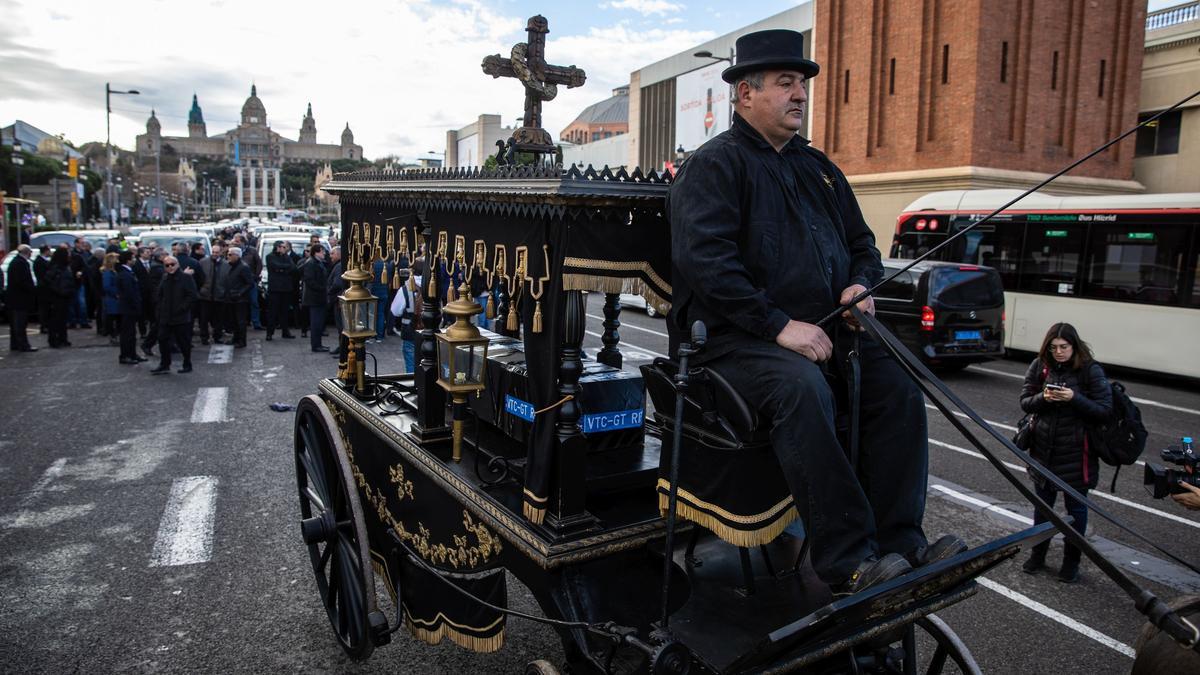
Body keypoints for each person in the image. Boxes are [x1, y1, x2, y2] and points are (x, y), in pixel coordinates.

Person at [667, 29, 962, 596]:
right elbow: (707, 264)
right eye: (785, 83)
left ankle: (902, 545)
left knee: (898, 385)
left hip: (826, 334)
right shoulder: (713, 166)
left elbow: (863, 244)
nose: (799, 94)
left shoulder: (820, 169)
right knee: (803, 389)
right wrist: (779, 326)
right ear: (744, 94)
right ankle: (846, 560)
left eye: (801, 84)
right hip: (733, 345)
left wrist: (859, 284)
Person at [1019, 322, 1112, 583]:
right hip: (1043, 450)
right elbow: (1025, 401)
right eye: (1054, 347)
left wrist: (1073, 397)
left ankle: (1071, 563)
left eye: (1064, 347)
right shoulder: (1039, 366)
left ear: (1075, 346)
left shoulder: (1090, 370)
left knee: (1076, 513)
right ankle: (1038, 556)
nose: (1059, 352)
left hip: (1077, 454)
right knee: (1042, 509)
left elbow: (1105, 409)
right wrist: (1044, 399)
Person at [150, 256, 199, 374]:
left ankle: (187, 363)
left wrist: (183, 308)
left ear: (177, 264)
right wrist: (160, 309)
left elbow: (192, 296)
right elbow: (160, 294)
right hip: (166, 316)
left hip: (180, 316)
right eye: (167, 265)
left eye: (172, 264)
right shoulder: (165, 277)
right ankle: (164, 364)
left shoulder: (185, 278)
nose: (170, 267)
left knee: (183, 342)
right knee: (162, 339)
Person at [115, 249, 145, 364]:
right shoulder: (125, 275)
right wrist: (136, 305)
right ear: (128, 260)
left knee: (132, 333)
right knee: (127, 333)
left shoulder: (127, 273)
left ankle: (132, 354)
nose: (134, 260)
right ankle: (126, 355)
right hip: (128, 308)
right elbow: (129, 293)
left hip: (129, 307)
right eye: (132, 258)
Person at [6, 245, 37, 352]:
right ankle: (23, 345)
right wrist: (31, 289)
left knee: (16, 323)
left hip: (14, 298)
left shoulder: (15, 262)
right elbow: (23, 281)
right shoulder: (21, 264)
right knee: (20, 323)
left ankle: (15, 344)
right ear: (27, 252)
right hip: (20, 299)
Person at [221, 246, 253, 348]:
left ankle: (241, 341)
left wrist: (240, 293)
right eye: (227, 254)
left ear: (237, 256)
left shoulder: (243, 267)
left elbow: (250, 283)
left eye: (230, 254)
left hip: (240, 300)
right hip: (230, 298)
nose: (228, 256)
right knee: (233, 321)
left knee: (240, 321)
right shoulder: (231, 266)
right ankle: (235, 338)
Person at [389, 268, 421, 372]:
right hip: (428, 333)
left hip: (409, 331)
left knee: (411, 365)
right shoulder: (431, 286)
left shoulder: (404, 289)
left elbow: (395, 311)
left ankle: (413, 385)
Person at [265, 240, 297, 340]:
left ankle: (285, 331)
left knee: (285, 311)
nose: (284, 249)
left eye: (285, 247)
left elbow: (293, 267)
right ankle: (270, 333)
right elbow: (274, 266)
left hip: (286, 288)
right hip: (275, 288)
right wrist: (283, 269)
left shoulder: (286, 257)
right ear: (277, 247)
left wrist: (282, 269)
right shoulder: (270, 256)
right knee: (272, 312)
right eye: (282, 247)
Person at [43, 247, 74, 348]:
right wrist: (59, 291)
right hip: (57, 296)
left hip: (63, 295)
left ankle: (62, 338)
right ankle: (55, 339)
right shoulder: (56, 267)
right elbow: (49, 281)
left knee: (62, 319)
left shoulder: (63, 266)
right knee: (56, 319)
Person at [302, 244, 329, 352]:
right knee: (316, 323)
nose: (324, 254)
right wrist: (322, 288)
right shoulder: (311, 263)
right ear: (316, 252)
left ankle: (318, 344)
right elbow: (309, 280)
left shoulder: (318, 263)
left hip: (319, 297)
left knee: (319, 322)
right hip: (314, 298)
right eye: (322, 252)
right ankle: (316, 345)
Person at [197, 241, 226, 345]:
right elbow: (199, 278)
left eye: (217, 252)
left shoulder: (225, 264)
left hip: (219, 296)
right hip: (205, 295)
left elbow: (226, 280)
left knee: (218, 319)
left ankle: (217, 336)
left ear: (221, 253)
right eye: (213, 252)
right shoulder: (203, 262)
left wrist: (223, 292)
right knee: (204, 319)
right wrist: (201, 290)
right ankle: (204, 337)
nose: (214, 254)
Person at [326, 246, 346, 360]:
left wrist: (329, 291)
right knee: (340, 327)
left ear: (338, 254)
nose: (330, 256)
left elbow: (337, 283)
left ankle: (343, 350)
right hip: (339, 299)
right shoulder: (338, 265)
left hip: (339, 300)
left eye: (332, 254)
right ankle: (341, 347)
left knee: (342, 327)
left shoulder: (339, 266)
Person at [100, 253, 121, 341]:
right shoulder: (108, 273)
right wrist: (116, 293)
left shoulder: (112, 272)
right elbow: (107, 286)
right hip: (112, 299)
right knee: (112, 318)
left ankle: (115, 335)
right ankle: (113, 335)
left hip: (114, 298)